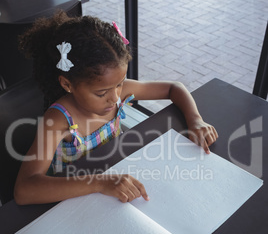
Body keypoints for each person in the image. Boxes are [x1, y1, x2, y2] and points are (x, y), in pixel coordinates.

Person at [14, 11, 218, 205]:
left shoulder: (116, 91)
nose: (115, 98)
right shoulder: (59, 120)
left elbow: (175, 88)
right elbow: (24, 190)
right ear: (67, 84)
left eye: (119, 84)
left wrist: (195, 120)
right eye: (101, 93)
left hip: (113, 176)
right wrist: (100, 182)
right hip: (74, 196)